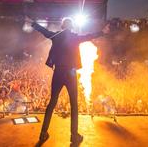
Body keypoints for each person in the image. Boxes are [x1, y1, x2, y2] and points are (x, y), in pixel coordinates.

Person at [31, 17, 110, 146]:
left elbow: (44, 31)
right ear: (72, 26)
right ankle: (74, 136)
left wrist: (34, 24)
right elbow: (89, 36)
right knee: (74, 105)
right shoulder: (75, 37)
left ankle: (43, 133)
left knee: (52, 102)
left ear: (62, 26)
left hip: (58, 73)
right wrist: (102, 32)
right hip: (71, 73)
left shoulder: (56, 36)